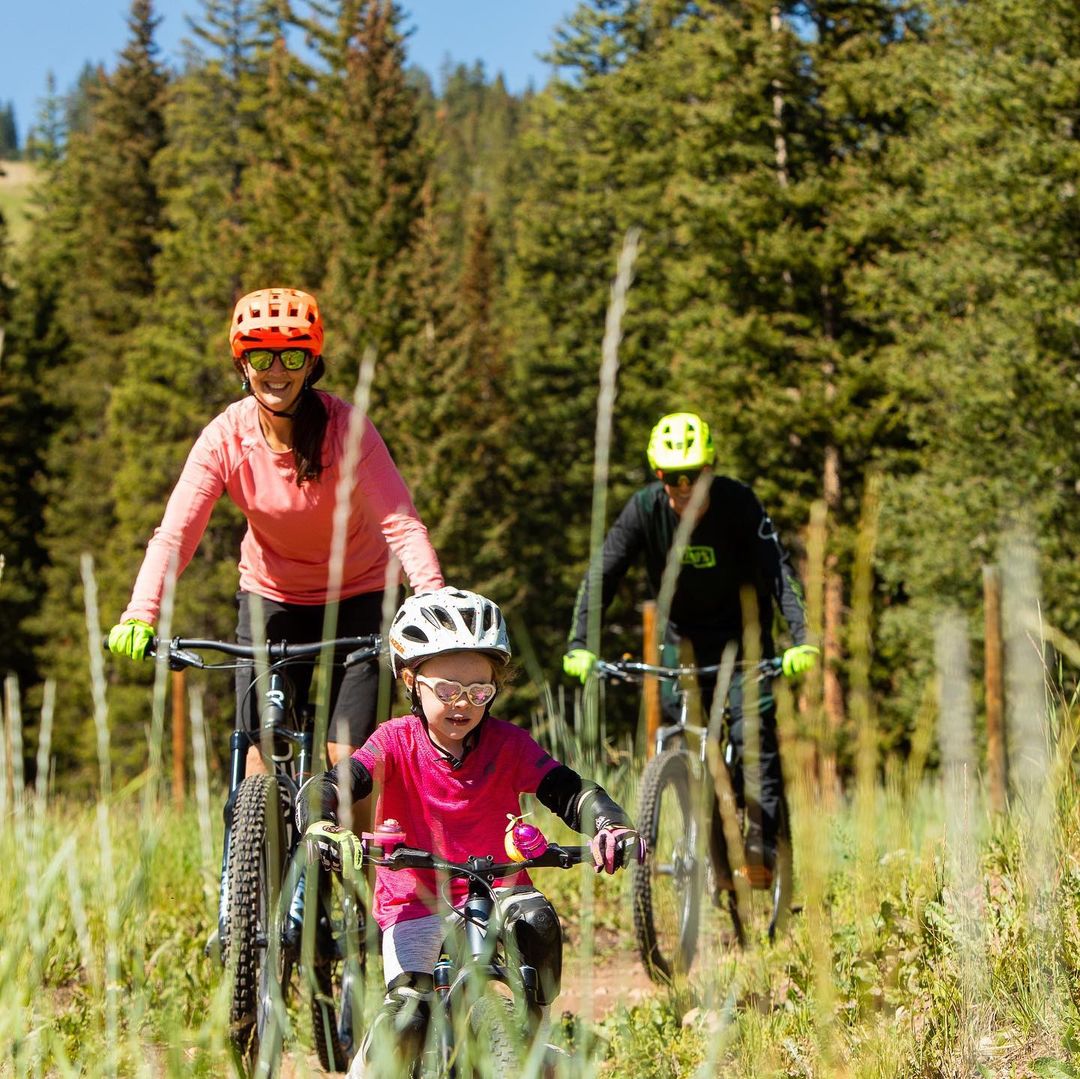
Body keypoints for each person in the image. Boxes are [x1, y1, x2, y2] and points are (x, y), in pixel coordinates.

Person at [298, 587, 645, 1076]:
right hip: (415, 901)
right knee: (407, 1018)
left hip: (500, 890)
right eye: (447, 690)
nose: (463, 704)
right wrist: (321, 821)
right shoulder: (395, 741)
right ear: (410, 680)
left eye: (480, 691)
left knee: (536, 921)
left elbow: (568, 791)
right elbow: (341, 781)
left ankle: (528, 1041)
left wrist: (610, 823)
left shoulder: (508, 744)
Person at [107, 286, 444, 768]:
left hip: (362, 594)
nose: (277, 371)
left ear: (312, 365)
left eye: (292, 356)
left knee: (348, 757)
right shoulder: (225, 437)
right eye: (262, 357)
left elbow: (402, 525)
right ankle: (255, 817)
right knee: (259, 753)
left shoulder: (347, 430)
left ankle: (353, 820)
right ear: (243, 365)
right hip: (272, 596)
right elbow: (176, 536)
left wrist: (433, 604)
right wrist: (141, 613)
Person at [562, 411, 817, 886]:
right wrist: (581, 642)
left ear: (710, 469)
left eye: (693, 475)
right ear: (659, 476)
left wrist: (803, 638)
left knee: (752, 736)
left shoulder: (739, 503)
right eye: (672, 477)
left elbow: (778, 570)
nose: (683, 487)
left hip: (745, 640)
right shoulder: (644, 509)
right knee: (684, 734)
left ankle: (762, 849)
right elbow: (604, 573)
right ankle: (710, 847)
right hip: (682, 640)